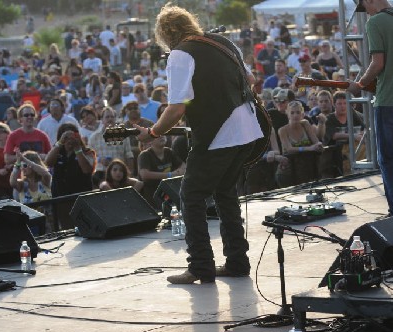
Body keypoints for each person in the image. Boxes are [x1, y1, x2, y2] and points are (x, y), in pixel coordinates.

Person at [135, 3, 263, 284]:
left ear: (165, 33)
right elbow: (251, 80)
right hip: (248, 130)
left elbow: (177, 108)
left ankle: (200, 266)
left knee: (190, 196)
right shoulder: (222, 42)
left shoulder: (181, 54)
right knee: (225, 192)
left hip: (220, 134)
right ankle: (237, 262)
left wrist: (153, 133)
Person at [348, 0, 393, 215]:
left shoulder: (376, 22)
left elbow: (378, 63)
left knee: (388, 159)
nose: (365, 12)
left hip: (388, 103)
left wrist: (359, 84)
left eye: (364, 7)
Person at [276, 100, 323, 187]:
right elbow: (289, 149)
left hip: (306, 167)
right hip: (289, 170)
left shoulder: (305, 124)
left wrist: (318, 146)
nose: (295, 115)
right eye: (292, 112)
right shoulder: (282, 130)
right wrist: (310, 148)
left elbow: (316, 142)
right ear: (287, 113)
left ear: (302, 114)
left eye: (298, 112)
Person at [45, 122, 95, 197]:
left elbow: (87, 170)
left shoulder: (87, 152)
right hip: (59, 196)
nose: (69, 140)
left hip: (80, 196)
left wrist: (77, 149)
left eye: (72, 137)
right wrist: (59, 143)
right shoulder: (57, 151)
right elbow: (48, 163)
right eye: (66, 137)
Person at [138, 135, 185, 208]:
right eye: (157, 136)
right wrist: (170, 175)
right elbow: (145, 174)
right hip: (152, 197)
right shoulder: (145, 155)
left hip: (169, 194)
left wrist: (178, 172)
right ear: (150, 141)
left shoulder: (169, 151)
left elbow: (183, 166)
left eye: (163, 134)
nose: (161, 136)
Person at [0, 122, 13, 199]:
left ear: (7, 133)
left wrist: (12, 165)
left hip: (13, 183)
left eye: (1, 132)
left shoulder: (13, 147)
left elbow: (20, 160)